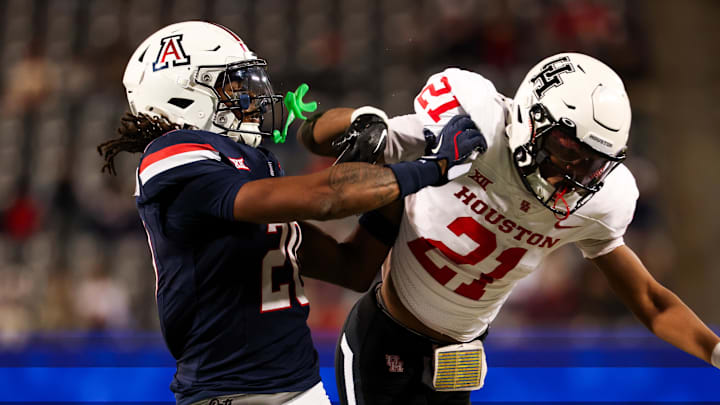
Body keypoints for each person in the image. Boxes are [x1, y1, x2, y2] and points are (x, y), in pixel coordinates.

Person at [96, 21, 486, 405]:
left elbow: (351, 267)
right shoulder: (173, 155)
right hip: (229, 394)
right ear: (181, 94)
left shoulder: (252, 167)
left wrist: (387, 186)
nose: (250, 98)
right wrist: (429, 168)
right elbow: (326, 199)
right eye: (233, 86)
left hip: (301, 387)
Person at [299, 52, 720, 404]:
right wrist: (362, 121)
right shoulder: (474, 130)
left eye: (590, 163)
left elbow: (650, 300)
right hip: (387, 335)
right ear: (530, 118)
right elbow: (313, 136)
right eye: (565, 148)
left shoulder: (602, 201)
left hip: (461, 354)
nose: (571, 174)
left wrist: (715, 350)